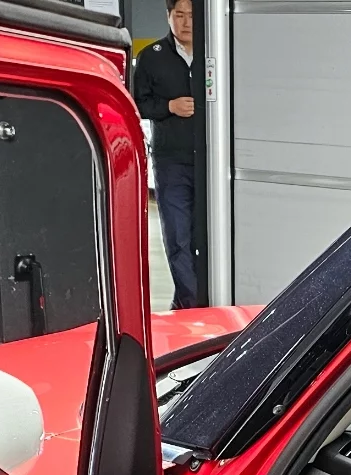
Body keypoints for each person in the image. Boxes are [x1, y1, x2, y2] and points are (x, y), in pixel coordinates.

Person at [134, 0, 202, 309]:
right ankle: (191, 303)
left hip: (209, 162)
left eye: (191, 15)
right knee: (177, 235)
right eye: (179, 15)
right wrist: (169, 107)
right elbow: (137, 104)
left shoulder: (213, 52)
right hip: (171, 161)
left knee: (204, 236)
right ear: (168, 16)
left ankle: (192, 298)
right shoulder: (151, 56)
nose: (186, 22)